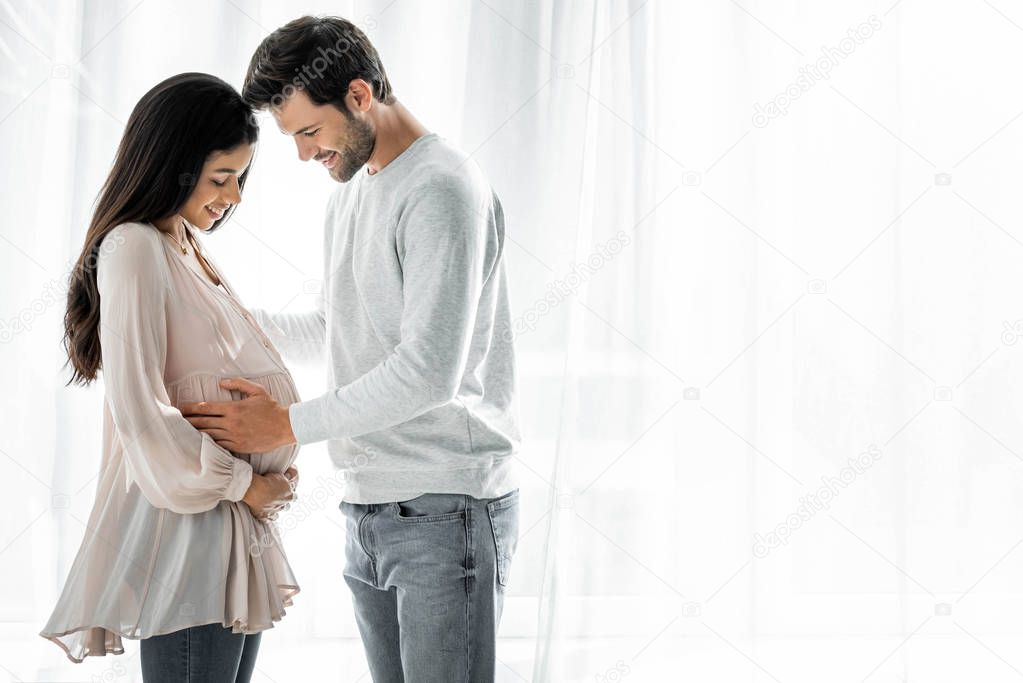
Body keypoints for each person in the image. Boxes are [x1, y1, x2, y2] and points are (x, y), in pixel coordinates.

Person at [183, 16, 522, 681]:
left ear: (360, 96)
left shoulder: (440, 188)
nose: (306, 156)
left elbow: (427, 372)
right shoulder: (354, 191)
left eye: (310, 132)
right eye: (293, 139)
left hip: (445, 507)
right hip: (368, 509)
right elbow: (334, 328)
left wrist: (286, 423)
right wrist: (217, 313)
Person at [40, 72, 300, 683]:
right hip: (191, 535)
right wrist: (246, 483)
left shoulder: (181, 241)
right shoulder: (132, 246)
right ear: (174, 165)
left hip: (229, 532)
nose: (235, 197)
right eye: (221, 179)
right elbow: (141, 410)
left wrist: (275, 455)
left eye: (242, 178)